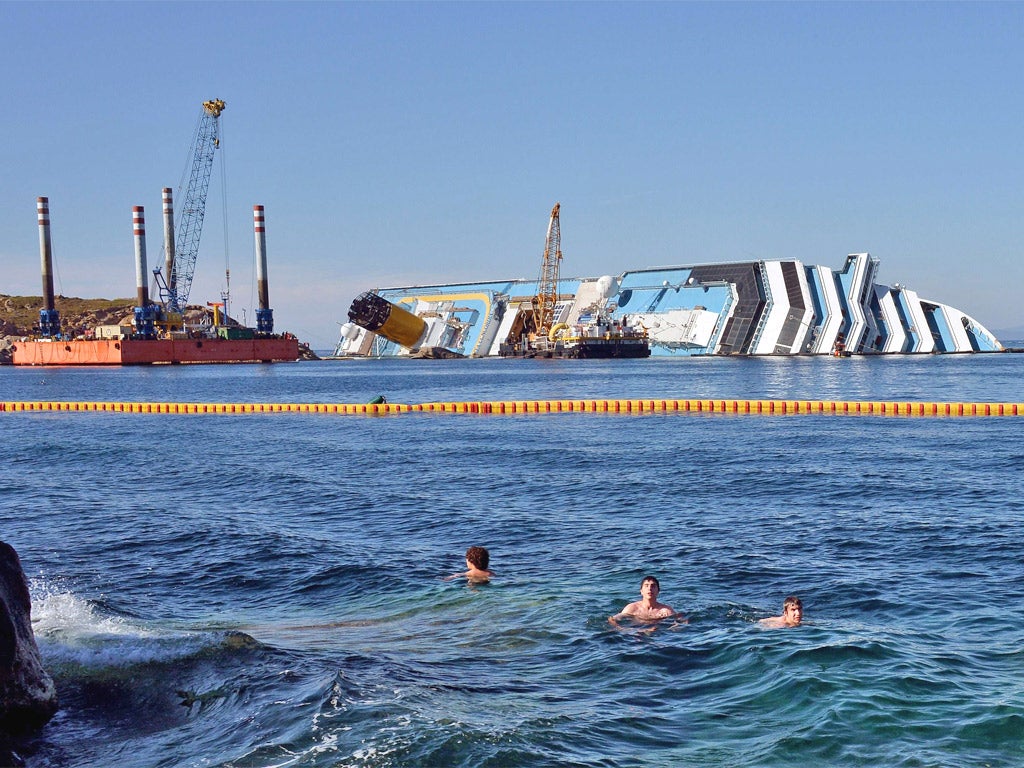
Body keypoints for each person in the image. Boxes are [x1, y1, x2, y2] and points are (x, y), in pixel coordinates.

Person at [608, 575, 683, 628]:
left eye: (653, 586)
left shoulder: (665, 610)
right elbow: (612, 619)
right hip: (636, 631)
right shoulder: (632, 608)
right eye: (646, 586)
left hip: (657, 633)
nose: (649, 589)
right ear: (641, 591)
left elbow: (681, 621)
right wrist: (622, 629)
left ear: (658, 591)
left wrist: (674, 627)